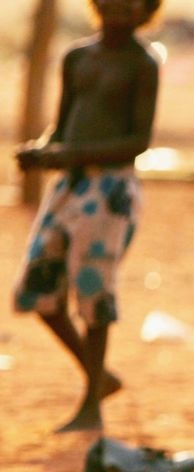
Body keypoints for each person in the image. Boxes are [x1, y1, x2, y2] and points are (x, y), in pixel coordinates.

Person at [13, 0, 161, 433]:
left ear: (145, 10)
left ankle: (91, 405)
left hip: (110, 189)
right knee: (37, 291)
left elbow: (138, 141)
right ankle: (100, 379)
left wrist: (67, 154)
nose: (118, 8)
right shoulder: (78, 57)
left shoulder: (142, 65)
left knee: (94, 294)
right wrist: (43, 152)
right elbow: (63, 125)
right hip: (69, 185)